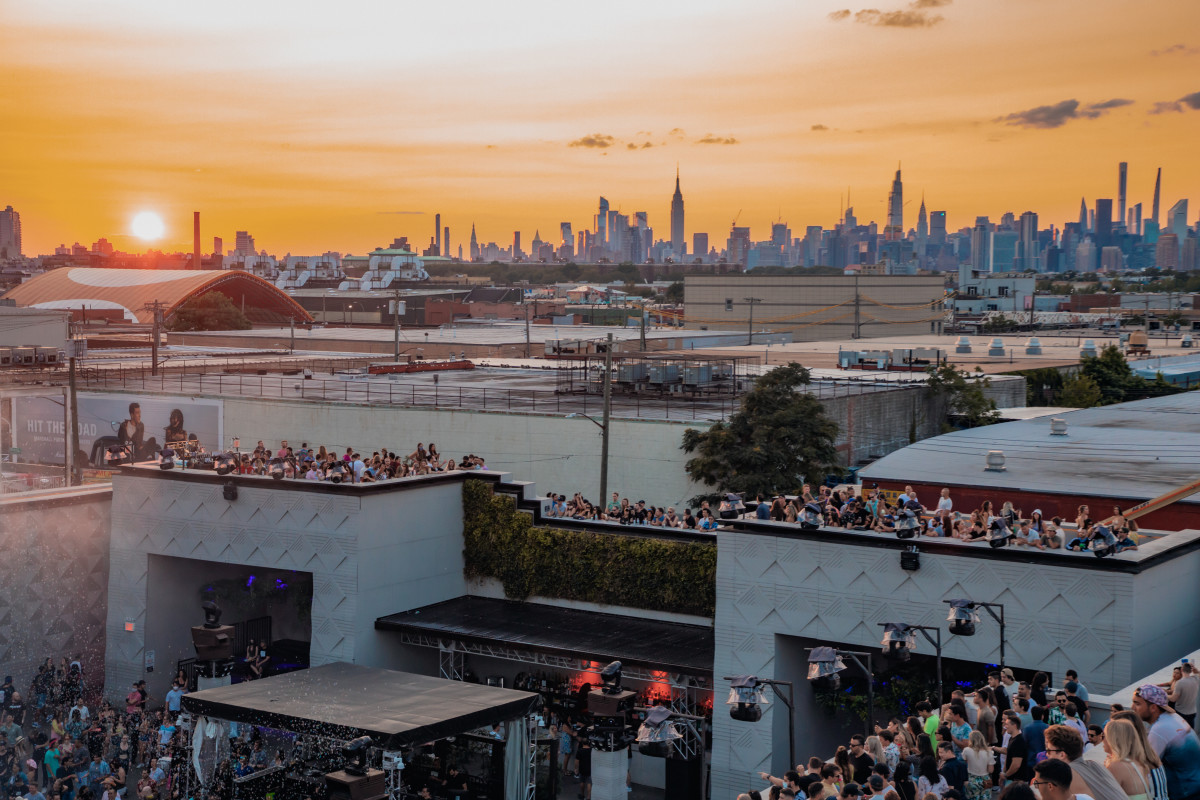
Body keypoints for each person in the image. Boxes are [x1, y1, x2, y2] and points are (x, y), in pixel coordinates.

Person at [1132, 684, 1200, 800]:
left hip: (1185, 793)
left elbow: (1146, 768)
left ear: (1153, 707)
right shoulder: (1173, 717)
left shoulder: (1159, 729)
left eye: (1137, 703)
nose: (1132, 707)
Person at [1043, 724, 1129, 800]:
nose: (1047, 754)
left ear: (1062, 755)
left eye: (1049, 750)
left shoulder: (1066, 776)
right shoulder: (1095, 765)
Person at [1101, 719, 1153, 800]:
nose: (1102, 740)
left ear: (1113, 740)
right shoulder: (1138, 763)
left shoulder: (1116, 766)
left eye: (1104, 736)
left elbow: (1104, 796)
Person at [962, 731, 994, 800]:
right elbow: (991, 770)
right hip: (986, 780)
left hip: (972, 778)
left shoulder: (966, 750)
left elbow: (965, 763)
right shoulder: (989, 752)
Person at [1167, 662, 1198, 729]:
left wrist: (1164, 695)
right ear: (1191, 670)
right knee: (1191, 731)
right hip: (1192, 712)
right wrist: (1195, 669)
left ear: (1181, 670)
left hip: (1181, 713)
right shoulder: (1196, 679)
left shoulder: (1179, 683)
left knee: (1180, 732)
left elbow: (1173, 699)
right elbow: (1198, 673)